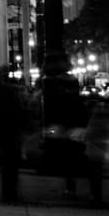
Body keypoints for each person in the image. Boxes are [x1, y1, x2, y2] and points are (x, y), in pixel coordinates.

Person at [41, 53, 100, 200]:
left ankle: (78, 188)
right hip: (72, 123)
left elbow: (52, 106)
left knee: (72, 158)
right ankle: (86, 188)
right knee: (74, 157)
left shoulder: (51, 83)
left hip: (65, 124)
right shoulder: (69, 81)